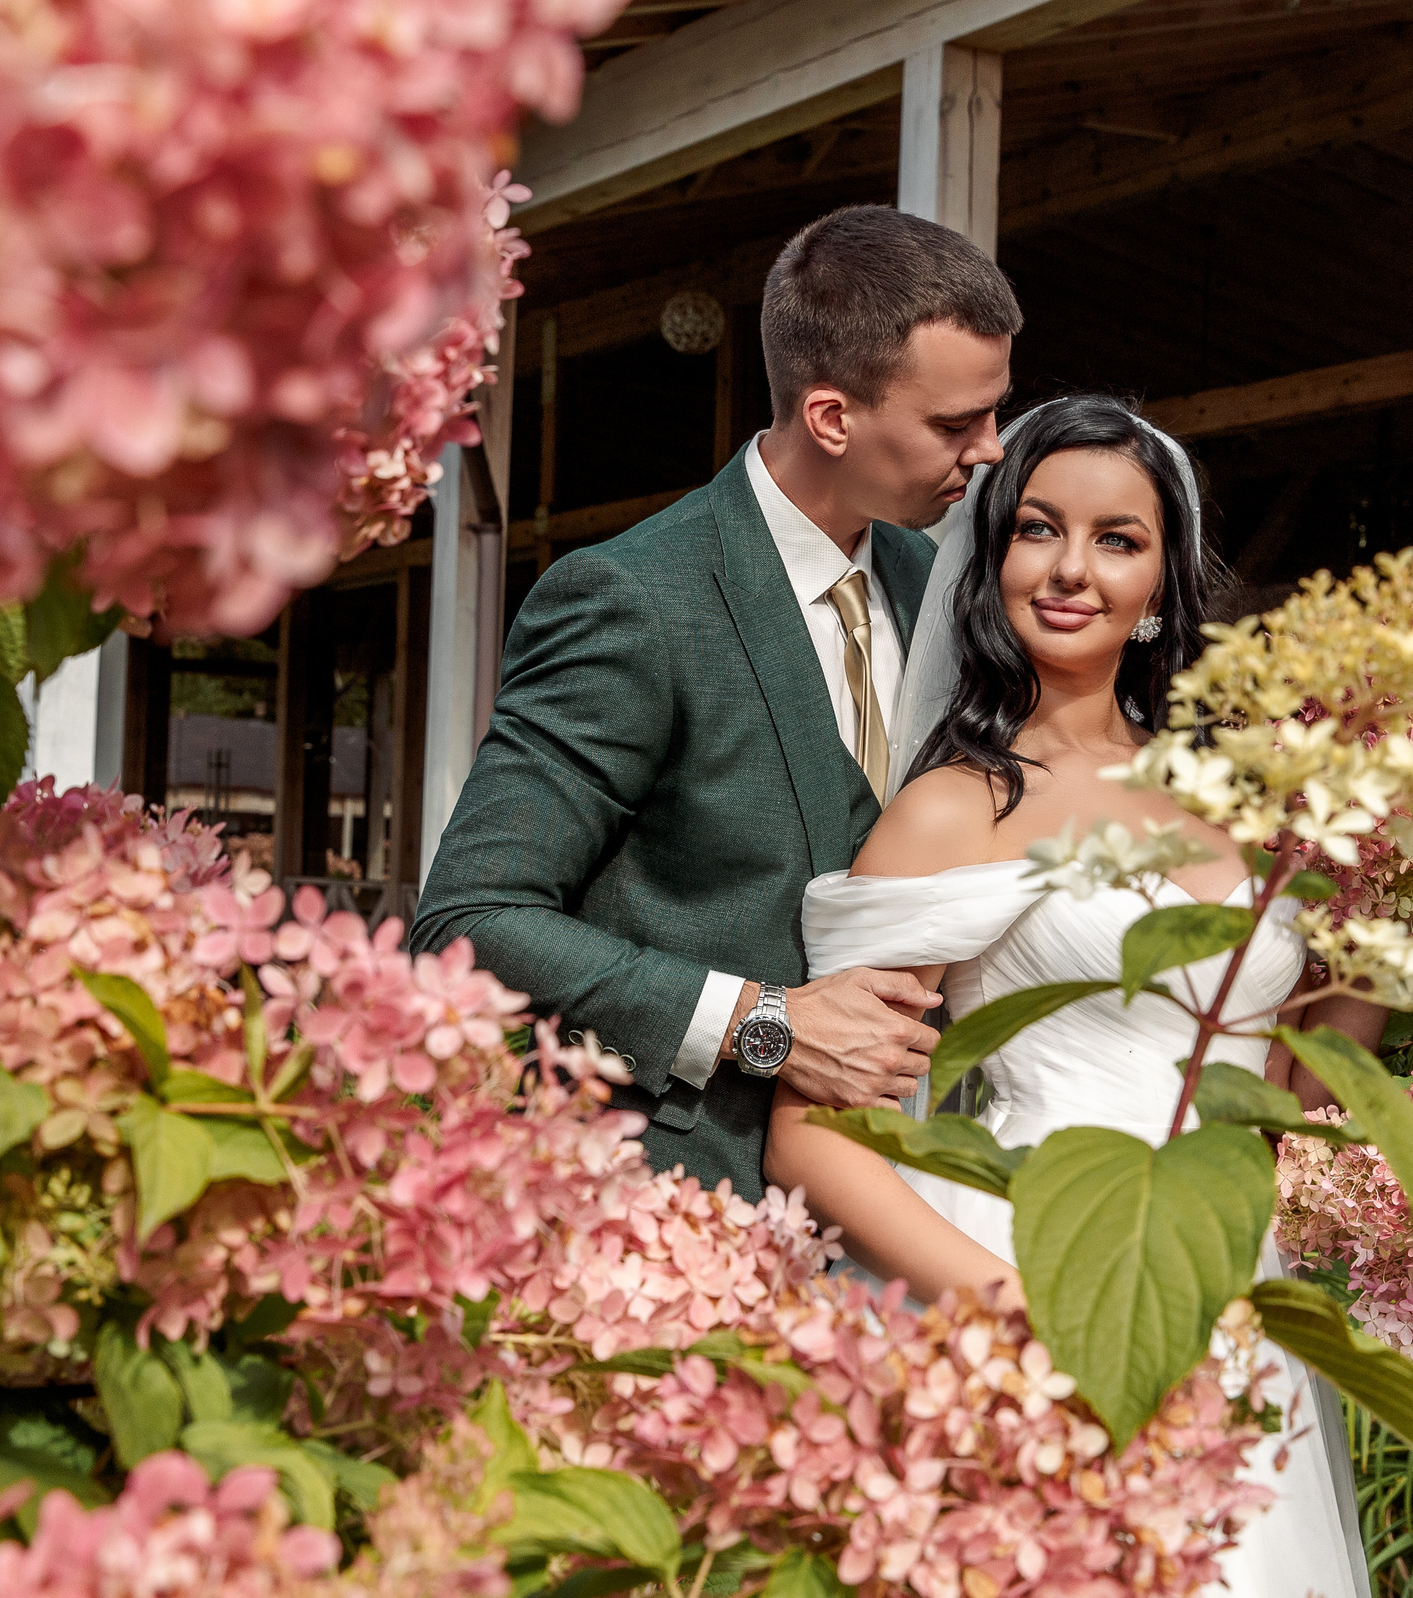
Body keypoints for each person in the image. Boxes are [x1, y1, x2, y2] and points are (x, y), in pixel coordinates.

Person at [770, 393, 1375, 1598]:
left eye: (1117, 539)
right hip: (1034, 1278)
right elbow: (817, 1132)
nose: (1071, 569)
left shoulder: (1247, 805)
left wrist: (1385, 908)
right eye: (1038, 529)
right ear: (991, 559)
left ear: (1161, 584)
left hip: (1229, 1287)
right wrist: (1031, 1314)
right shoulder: (955, 808)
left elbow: (1293, 1082)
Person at [408, 205, 1021, 1197]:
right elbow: (471, 919)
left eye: (993, 412)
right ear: (831, 416)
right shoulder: (634, 599)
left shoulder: (943, 584)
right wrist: (763, 1027)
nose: (990, 450)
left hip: (919, 1201)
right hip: (685, 1201)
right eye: (955, 424)